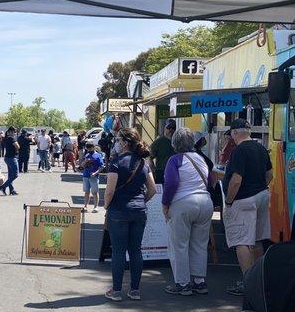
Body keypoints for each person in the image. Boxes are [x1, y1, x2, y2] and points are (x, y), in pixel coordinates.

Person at [103, 128, 156, 302]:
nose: (116, 143)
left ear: (125, 143)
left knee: (118, 252)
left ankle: (116, 291)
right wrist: (141, 202)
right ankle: (135, 290)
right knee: (135, 251)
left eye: (118, 140)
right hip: (139, 211)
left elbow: (109, 191)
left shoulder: (116, 163)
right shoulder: (143, 163)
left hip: (118, 211)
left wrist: (106, 206)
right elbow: (153, 189)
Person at [222, 119, 273, 296]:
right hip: (261, 196)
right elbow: (269, 175)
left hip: (243, 200)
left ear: (236, 133)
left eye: (231, 135)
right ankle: (259, 279)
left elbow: (236, 180)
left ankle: (248, 283)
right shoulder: (261, 148)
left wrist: (229, 201)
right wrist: (259, 187)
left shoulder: (239, 151)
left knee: (241, 241)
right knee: (258, 240)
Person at [162, 127, 214, 296]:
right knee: (199, 244)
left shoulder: (175, 160)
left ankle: (182, 283)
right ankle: (200, 281)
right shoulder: (201, 159)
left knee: (179, 245)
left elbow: (171, 184)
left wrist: (165, 204)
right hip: (205, 202)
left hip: (183, 203)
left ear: (174, 143)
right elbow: (211, 180)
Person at [150, 119, 176, 184]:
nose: (171, 130)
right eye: (168, 127)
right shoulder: (159, 142)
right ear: (164, 128)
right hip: (161, 172)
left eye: (173, 128)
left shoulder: (177, 142)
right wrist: (153, 171)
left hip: (174, 171)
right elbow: (149, 157)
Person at [81, 139, 104, 213]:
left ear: (93, 147)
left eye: (90, 147)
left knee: (94, 192)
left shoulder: (98, 155)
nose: (88, 149)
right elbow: (82, 165)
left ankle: (96, 207)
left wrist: (95, 173)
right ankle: (85, 206)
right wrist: (85, 162)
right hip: (86, 175)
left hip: (93, 176)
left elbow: (102, 166)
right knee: (86, 191)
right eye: (87, 147)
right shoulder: (87, 154)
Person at [1, 126, 20, 196]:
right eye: (14, 132)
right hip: (12, 158)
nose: (15, 133)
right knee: (15, 175)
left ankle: (11, 190)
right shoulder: (11, 138)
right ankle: (3, 186)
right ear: (10, 132)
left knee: (10, 175)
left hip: (8, 157)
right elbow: (18, 146)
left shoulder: (6, 138)